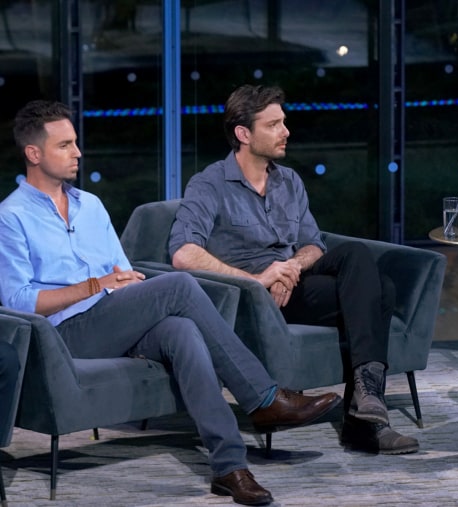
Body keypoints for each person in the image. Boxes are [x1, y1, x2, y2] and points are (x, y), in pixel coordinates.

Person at [0, 100, 344, 506]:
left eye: (76, 143)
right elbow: (19, 301)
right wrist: (96, 286)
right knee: (178, 286)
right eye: (65, 146)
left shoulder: (89, 206)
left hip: (112, 318)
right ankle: (264, 398)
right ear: (33, 154)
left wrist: (123, 286)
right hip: (61, 335)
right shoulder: (11, 216)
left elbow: (121, 270)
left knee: (181, 330)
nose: (78, 153)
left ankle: (230, 467)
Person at [168, 84, 419, 455]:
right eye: (273, 124)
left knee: (365, 268)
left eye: (283, 122)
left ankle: (365, 407)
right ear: (243, 134)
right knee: (380, 289)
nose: (286, 131)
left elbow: (313, 244)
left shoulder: (289, 181)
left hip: (294, 287)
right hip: (256, 299)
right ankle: (365, 423)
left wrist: (289, 268)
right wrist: (258, 279)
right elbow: (183, 253)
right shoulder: (209, 185)